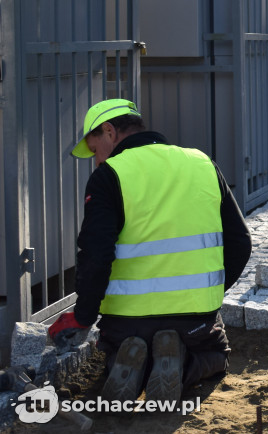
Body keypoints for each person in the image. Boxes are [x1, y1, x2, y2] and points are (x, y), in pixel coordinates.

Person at [47, 99, 252, 403]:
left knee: (119, 354)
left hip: (128, 324)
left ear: (109, 132)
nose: (96, 160)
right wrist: (209, 293)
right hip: (194, 322)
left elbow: (95, 254)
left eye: (93, 150)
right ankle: (184, 367)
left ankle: (132, 366)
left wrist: (83, 316)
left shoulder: (109, 175)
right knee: (216, 355)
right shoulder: (202, 163)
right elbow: (240, 242)